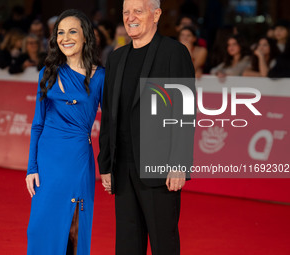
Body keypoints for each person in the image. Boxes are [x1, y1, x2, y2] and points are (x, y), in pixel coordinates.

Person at [98, 0, 195, 254]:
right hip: (123, 169)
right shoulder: (117, 58)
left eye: (138, 11)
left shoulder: (174, 53)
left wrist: (179, 164)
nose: (130, 17)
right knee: (127, 246)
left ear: (156, 14)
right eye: (126, 12)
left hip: (160, 169)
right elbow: (109, 114)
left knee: (164, 244)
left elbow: (184, 113)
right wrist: (106, 164)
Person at [25, 9, 104, 255]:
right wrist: (31, 168)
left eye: (72, 31)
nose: (65, 37)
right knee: (39, 227)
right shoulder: (47, 73)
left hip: (77, 161)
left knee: (74, 228)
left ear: (85, 37)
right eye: (60, 32)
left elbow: (113, 121)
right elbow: (38, 124)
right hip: (47, 163)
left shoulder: (100, 77)